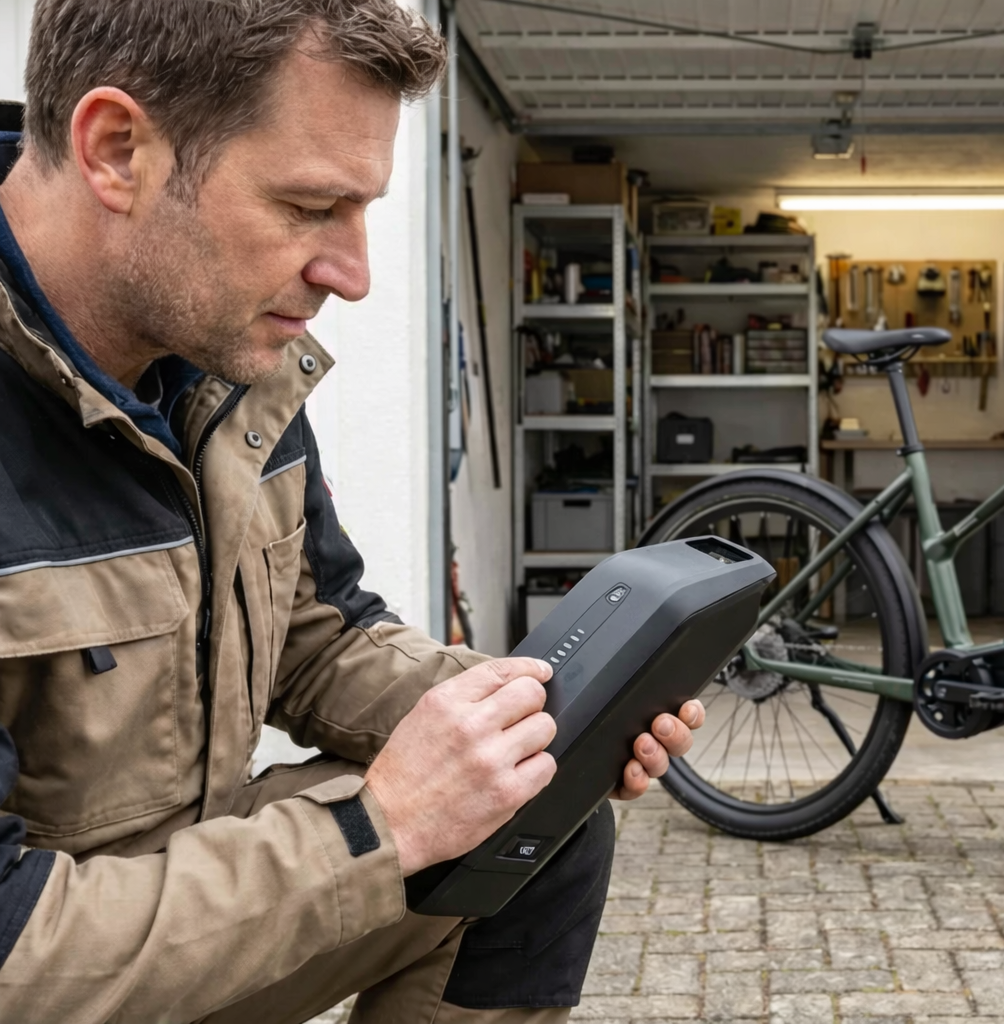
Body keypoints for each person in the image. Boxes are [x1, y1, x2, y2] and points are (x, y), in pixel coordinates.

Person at [0, 2, 704, 1021]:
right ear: (117, 151)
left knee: (533, 819)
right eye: (308, 206)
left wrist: (548, 714)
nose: (356, 275)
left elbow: (317, 636)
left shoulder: (219, 365)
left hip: (172, 898)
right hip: (41, 952)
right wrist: (378, 829)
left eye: (364, 210)